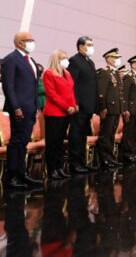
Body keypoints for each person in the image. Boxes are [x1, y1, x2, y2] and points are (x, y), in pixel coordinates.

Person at [1, 32, 43, 189]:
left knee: (23, 142)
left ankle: (21, 174)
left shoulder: (31, 60)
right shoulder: (10, 59)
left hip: (31, 108)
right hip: (19, 109)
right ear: (19, 43)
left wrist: (36, 106)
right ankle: (11, 177)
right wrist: (15, 107)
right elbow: (8, 87)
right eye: (29, 40)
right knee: (16, 142)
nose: (32, 42)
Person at [41, 50, 77, 180]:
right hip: (54, 113)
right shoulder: (49, 73)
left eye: (66, 57)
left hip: (67, 113)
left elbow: (71, 91)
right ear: (56, 59)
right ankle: (52, 169)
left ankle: (60, 167)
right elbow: (52, 94)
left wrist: (73, 105)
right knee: (53, 142)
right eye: (63, 58)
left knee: (61, 142)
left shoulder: (67, 73)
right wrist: (66, 107)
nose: (66, 60)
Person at [67, 36, 97, 174]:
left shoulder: (89, 62)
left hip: (89, 105)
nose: (91, 47)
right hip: (79, 105)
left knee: (83, 135)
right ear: (80, 46)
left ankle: (82, 162)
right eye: (88, 44)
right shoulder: (74, 61)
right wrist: (75, 102)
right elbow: (71, 84)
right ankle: (74, 163)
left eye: (92, 44)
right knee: (76, 135)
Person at [96, 48, 124, 170]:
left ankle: (110, 157)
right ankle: (104, 159)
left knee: (111, 134)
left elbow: (119, 93)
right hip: (108, 108)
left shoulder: (116, 73)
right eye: (115, 58)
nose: (117, 60)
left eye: (118, 58)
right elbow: (101, 92)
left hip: (116, 108)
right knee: (105, 135)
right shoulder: (104, 72)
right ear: (108, 59)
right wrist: (102, 107)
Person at [121, 54, 136, 165]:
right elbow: (124, 95)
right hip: (130, 109)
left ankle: (134, 152)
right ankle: (127, 154)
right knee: (128, 132)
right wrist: (125, 109)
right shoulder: (128, 76)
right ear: (133, 64)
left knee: (135, 132)